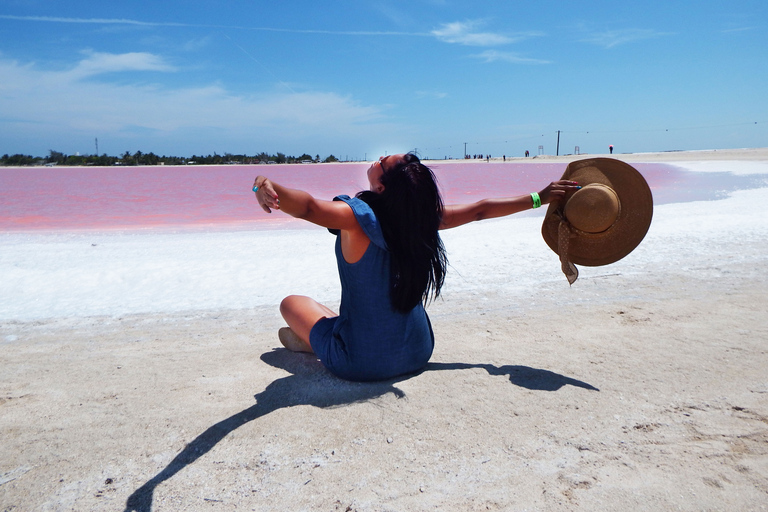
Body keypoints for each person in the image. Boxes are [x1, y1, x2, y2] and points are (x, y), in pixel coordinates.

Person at [253, 153, 579, 382]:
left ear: (382, 188)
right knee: (337, 315)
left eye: (382, 163)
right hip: (417, 351)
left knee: (291, 303)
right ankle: (319, 337)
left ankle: (315, 342)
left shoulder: (354, 219)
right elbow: (481, 210)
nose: (378, 159)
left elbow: (308, 206)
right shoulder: (422, 221)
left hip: (361, 362)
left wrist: (266, 186)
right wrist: (539, 198)